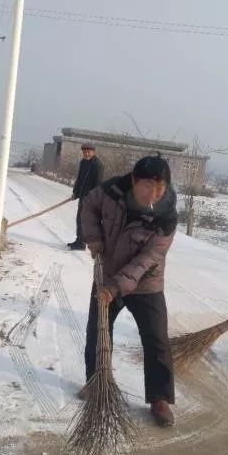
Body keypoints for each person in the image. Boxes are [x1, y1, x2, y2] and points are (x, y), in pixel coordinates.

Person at [79, 154, 178, 426]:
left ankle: (160, 398)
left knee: (156, 338)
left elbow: (147, 260)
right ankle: (96, 382)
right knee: (98, 331)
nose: (154, 194)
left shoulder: (167, 217)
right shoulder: (111, 192)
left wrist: (114, 288)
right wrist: (94, 237)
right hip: (107, 270)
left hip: (145, 282)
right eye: (148, 185)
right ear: (134, 181)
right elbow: (88, 206)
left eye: (160, 187)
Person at [68, 143, 104, 250]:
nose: (86, 153)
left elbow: (98, 184)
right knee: (79, 219)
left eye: (89, 151)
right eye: (84, 152)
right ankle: (79, 241)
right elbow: (79, 179)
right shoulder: (83, 162)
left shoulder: (97, 165)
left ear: (93, 152)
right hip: (82, 196)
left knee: (84, 220)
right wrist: (75, 192)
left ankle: (82, 243)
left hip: (90, 199)